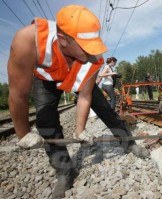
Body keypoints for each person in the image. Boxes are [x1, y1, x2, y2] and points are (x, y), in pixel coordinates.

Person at [7, 5, 149, 199]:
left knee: (105, 109)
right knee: (45, 120)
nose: (92, 52)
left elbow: (84, 96)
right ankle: (64, 170)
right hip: (46, 79)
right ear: (63, 40)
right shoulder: (27, 41)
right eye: (85, 46)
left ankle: (128, 142)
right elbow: (18, 94)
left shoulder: (93, 57)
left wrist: (80, 130)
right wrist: (22, 134)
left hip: (77, 77)